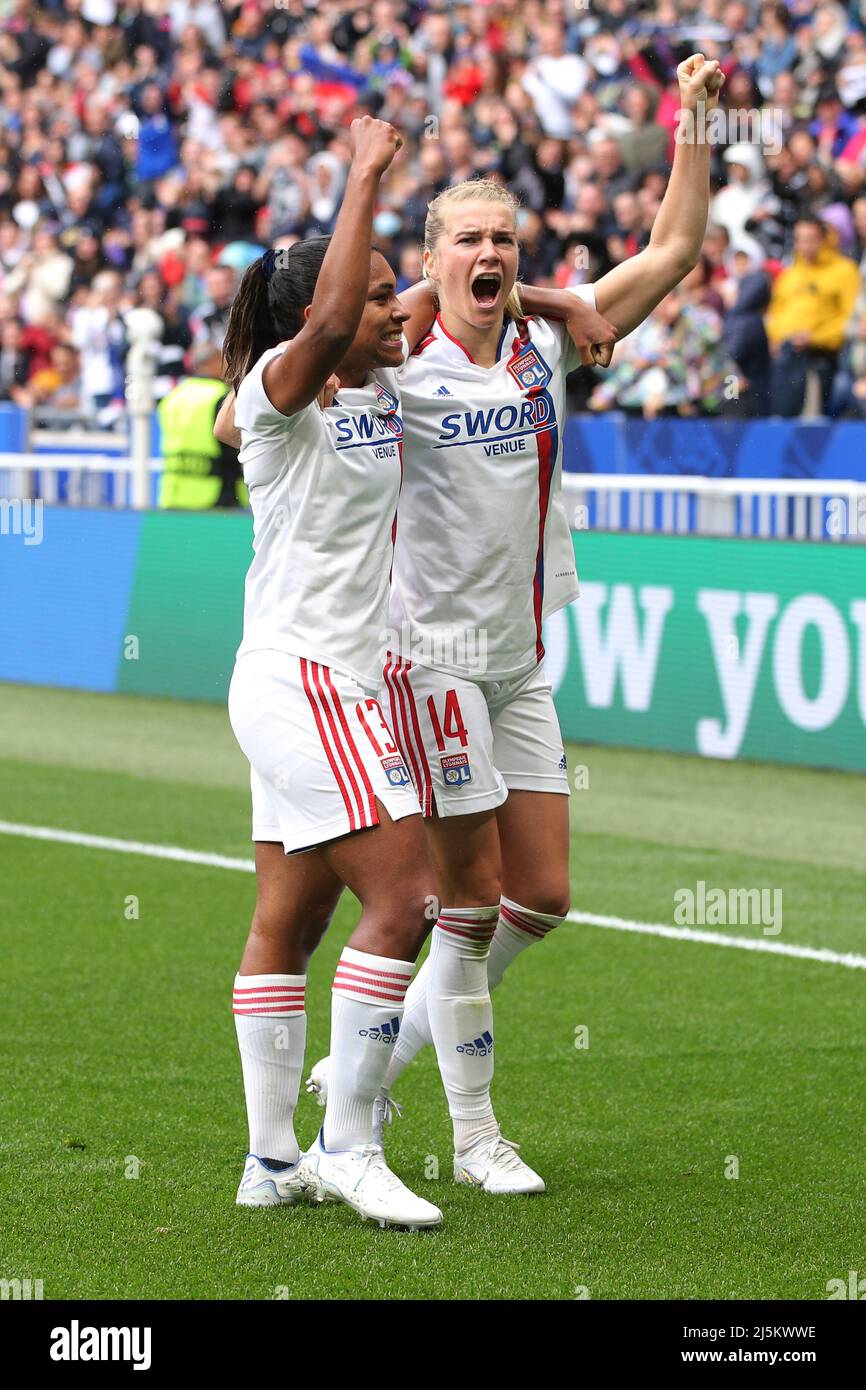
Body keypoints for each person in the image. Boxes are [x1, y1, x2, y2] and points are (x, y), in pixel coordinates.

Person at [310, 54, 728, 1191]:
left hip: (520, 656)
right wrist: (392, 295)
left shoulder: (548, 338)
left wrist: (695, 121)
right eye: (467, 240)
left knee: (540, 896)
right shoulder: (396, 360)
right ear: (434, 258)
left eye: (503, 240)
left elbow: (675, 252)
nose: (490, 255)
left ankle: (376, 1049)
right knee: (469, 899)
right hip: (427, 659)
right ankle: (473, 1135)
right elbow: (311, 334)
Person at [221, 116, 443, 1230]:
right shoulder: (277, 391)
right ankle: (348, 1146)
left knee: (290, 918)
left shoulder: (379, 387)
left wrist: (557, 303)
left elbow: (451, 294)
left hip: (326, 686)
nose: (394, 310)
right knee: (407, 896)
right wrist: (362, 174)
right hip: (307, 683)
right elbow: (319, 324)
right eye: (377, 296)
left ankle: (268, 1162)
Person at [765, 215, 861, 416]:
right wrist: (773, 336)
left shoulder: (844, 270)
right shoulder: (790, 273)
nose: (804, 246)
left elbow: (851, 317)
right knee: (781, 418)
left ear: (823, 239)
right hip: (786, 356)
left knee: (811, 423)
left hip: (820, 358)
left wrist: (816, 338)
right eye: (799, 239)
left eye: (810, 239)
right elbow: (776, 311)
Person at [157, 341, 244, 509]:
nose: (229, 367)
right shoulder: (223, 398)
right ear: (211, 362)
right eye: (225, 360)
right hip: (217, 496)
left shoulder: (172, 397)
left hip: (174, 495)